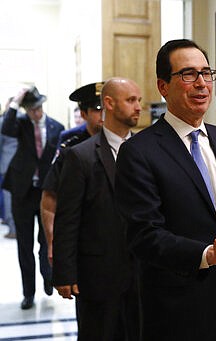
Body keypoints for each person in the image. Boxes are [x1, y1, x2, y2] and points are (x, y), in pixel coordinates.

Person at [114, 39, 216, 341]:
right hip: (174, 312)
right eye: (188, 74)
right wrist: (207, 254)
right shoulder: (139, 151)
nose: (201, 83)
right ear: (163, 86)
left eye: (206, 73)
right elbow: (143, 235)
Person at [52, 77, 141, 340]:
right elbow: (67, 218)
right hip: (98, 275)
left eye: (138, 100)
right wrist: (64, 273)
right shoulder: (80, 156)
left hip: (142, 274)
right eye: (131, 100)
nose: (138, 107)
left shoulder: (148, 150)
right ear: (110, 104)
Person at [2, 86, 64, 310]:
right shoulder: (20, 125)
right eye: (31, 109)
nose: (35, 113)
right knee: (24, 245)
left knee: (46, 241)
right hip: (22, 192)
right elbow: (5, 128)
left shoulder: (57, 127)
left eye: (37, 108)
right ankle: (28, 292)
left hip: (46, 192)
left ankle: (47, 276)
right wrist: (15, 102)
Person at [40, 82, 104, 265]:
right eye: (98, 109)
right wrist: (53, 243)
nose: (104, 115)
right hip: (83, 238)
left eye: (107, 108)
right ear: (84, 114)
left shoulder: (128, 145)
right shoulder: (71, 147)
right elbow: (50, 195)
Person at [0, 98, 18, 239]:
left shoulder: (4, 123)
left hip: (7, 166)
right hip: (20, 167)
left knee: (9, 199)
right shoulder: (24, 121)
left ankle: (13, 229)